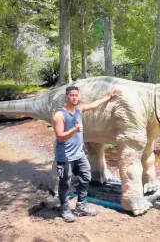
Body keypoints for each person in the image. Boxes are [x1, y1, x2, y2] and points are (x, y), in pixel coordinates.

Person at [53, 85, 117, 222]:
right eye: (71, 95)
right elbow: (59, 137)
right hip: (65, 156)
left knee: (86, 175)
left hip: (79, 154)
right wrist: (74, 130)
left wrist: (108, 97)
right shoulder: (59, 115)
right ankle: (64, 209)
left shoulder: (79, 109)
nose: (74, 97)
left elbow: (94, 104)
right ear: (66, 96)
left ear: (79, 96)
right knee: (65, 182)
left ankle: (81, 205)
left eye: (76, 95)